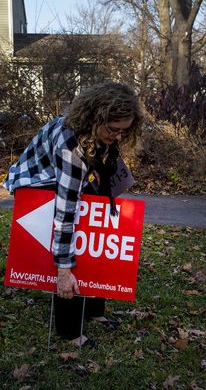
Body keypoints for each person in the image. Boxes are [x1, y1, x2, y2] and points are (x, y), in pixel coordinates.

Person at [4, 81, 144, 346]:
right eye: (114, 130)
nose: (120, 137)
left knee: (95, 229)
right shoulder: (70, 146)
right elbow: (65, 211)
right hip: (38, 181)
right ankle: (69, 331)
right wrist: (64, 269)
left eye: (125, 131)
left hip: (76, 171)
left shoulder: (102, 132)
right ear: (95, 118)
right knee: (72, 240)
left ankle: (93, 311)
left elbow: (102, 169)